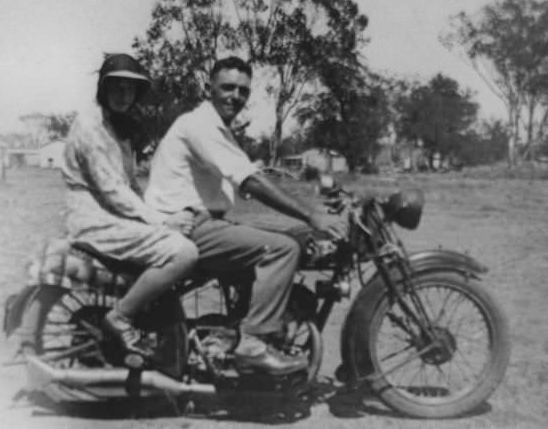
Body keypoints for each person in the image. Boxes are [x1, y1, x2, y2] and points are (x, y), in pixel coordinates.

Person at [144, 56, 347, 375]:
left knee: (293, 236)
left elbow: (250, 177)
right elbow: (250, 180)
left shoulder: (218, 129)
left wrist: (314, 207)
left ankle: (251, 321)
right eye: (227, 87)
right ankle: (253, 343)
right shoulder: (200, 125)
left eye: (242, 91)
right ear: (209, 88)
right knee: (282, 249)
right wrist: (312, 216)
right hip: (184, 225)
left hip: (204, 222)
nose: (235, 96)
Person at [61, 53, 199, 357]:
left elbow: (131, 186)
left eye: (130, 89)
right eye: (117, 87)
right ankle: (120, 317)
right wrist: (162, 222)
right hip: (93, 219)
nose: (124, 95)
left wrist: (164, 214)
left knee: (184, 235)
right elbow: (112, 191)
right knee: (184, 253)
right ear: (103, 88)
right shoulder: (90, 126)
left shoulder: (118, 128)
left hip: (113, 216)